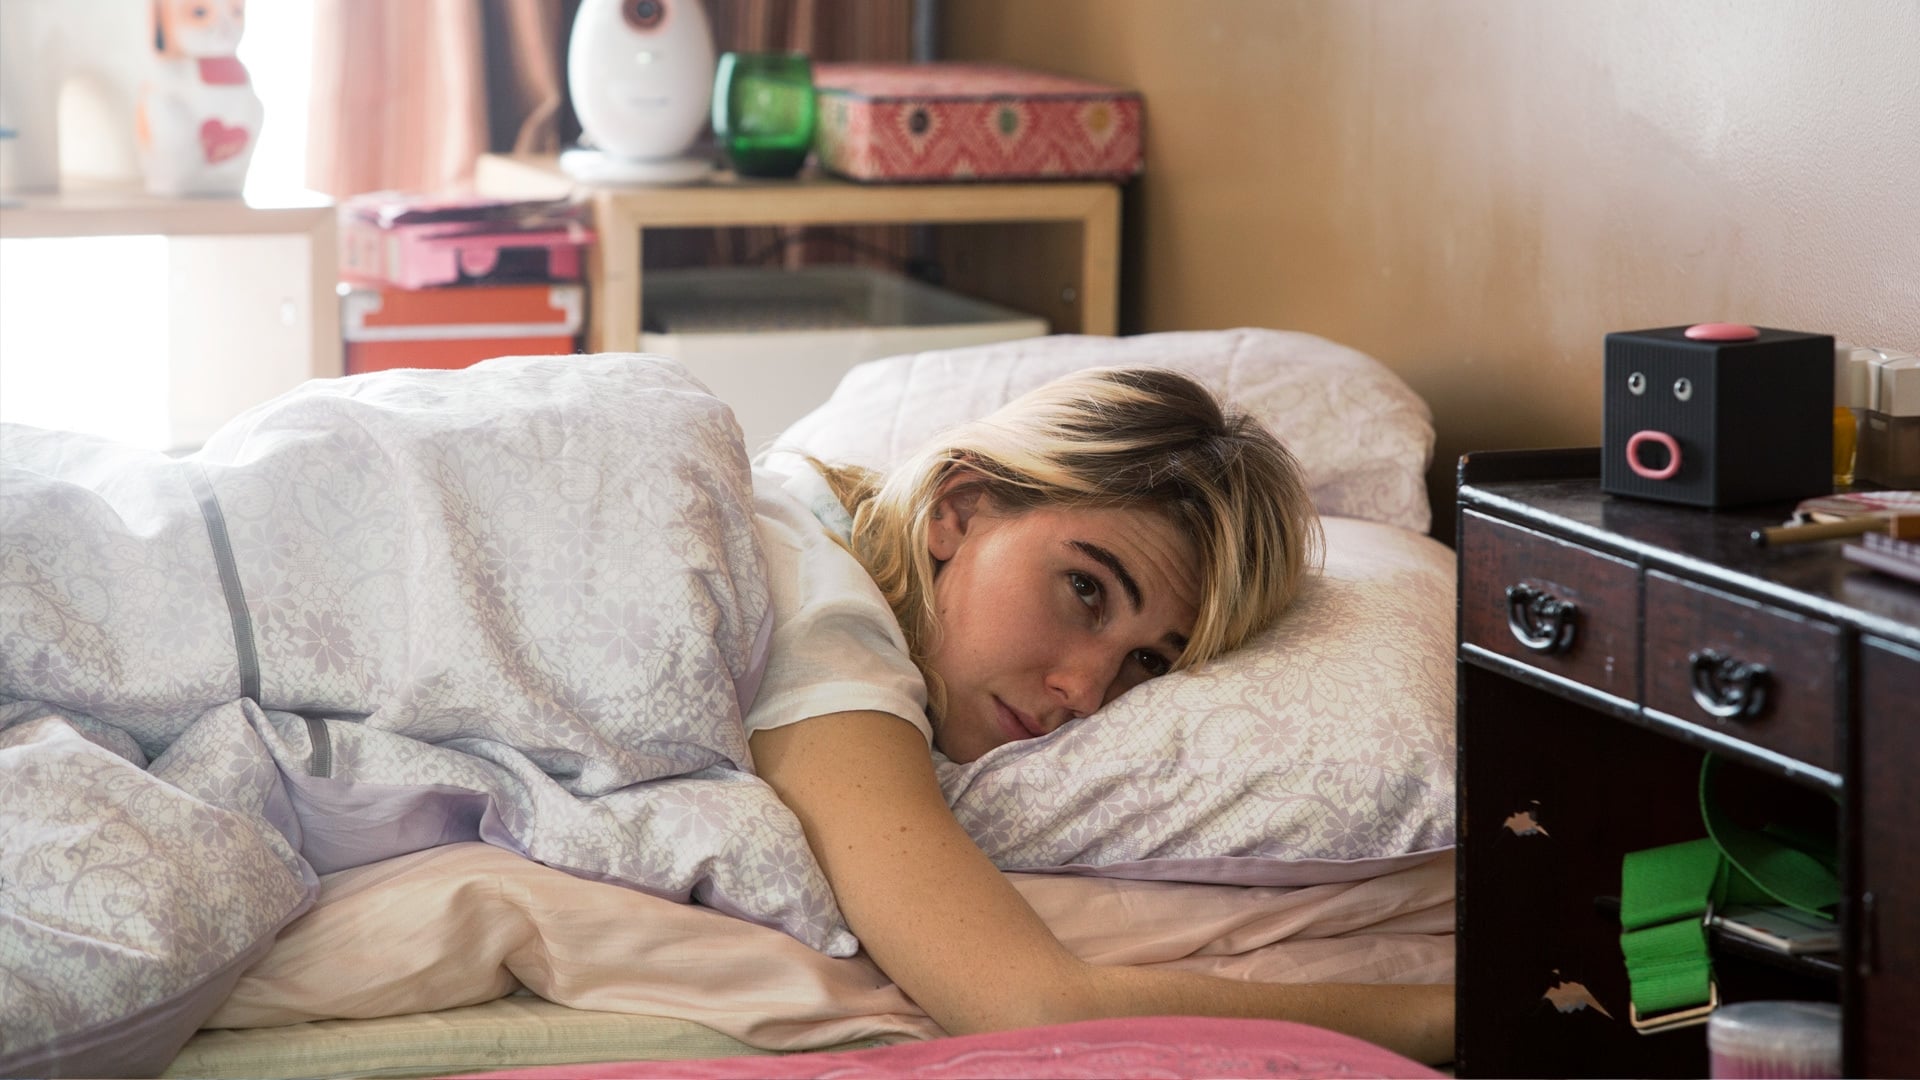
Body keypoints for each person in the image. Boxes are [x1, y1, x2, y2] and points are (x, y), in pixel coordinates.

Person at [740, 365, 1454, 1064]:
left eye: (1147, 660)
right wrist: (1461, 1014)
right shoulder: (827, 621)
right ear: (958, 508)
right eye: (1086, 589)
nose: (1085, 692)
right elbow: (1032, 1007)